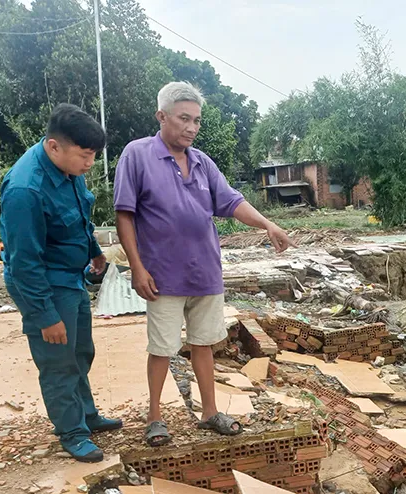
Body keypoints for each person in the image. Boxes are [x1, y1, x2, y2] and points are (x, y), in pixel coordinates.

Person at [114, 82, 293, 447]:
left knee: (203, 344)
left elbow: (231, 202)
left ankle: (209, 411)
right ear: (161, 116)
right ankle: (155, 417)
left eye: (196, 120)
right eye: (184, 119)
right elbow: (124, 215)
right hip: (161, 275)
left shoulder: (202, 162)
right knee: (161, 347)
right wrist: (137, 267)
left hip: (205, 272)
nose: (192, 127)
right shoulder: (137, 155)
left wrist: (267, 224)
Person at [0, 103, 122, 463]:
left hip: (70, 278)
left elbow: (78, 217)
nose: (89, 164)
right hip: (43, 283)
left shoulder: (69, 169)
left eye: (94, 155)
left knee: (81, 352)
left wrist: (95, 250)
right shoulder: (25, 189)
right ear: (54, 146)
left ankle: (86, 414)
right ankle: (71, 432)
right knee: (58, 361)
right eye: (85, 156)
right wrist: (45, 314)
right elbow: (24, 263)